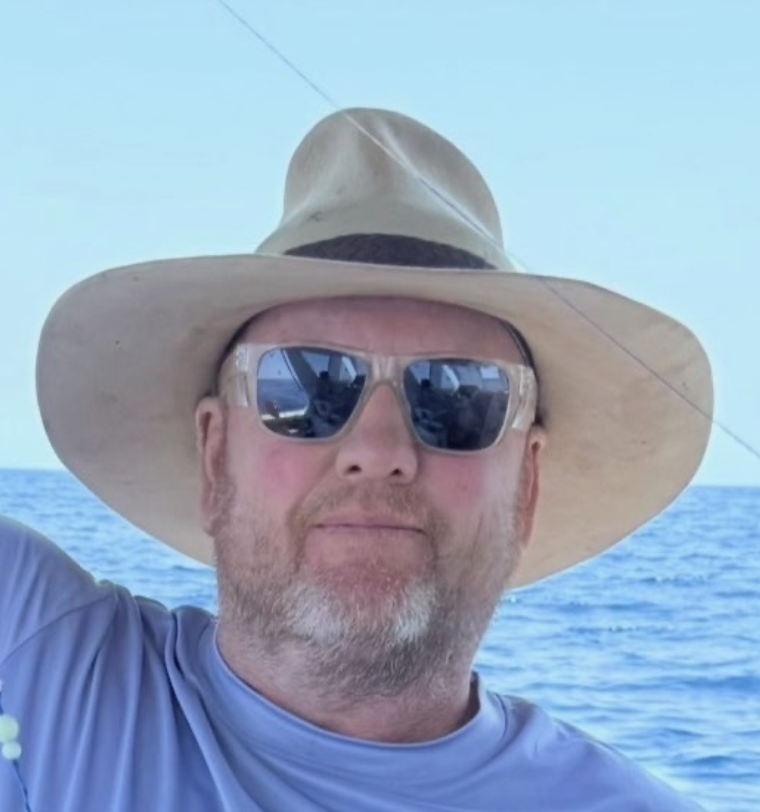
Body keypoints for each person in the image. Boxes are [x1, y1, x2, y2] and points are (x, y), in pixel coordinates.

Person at [0, 108, 713, 811]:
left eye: (458, 395)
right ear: (216, 454)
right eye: (307, 385)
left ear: (526, 482)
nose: (378, 452)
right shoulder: (32, 658)